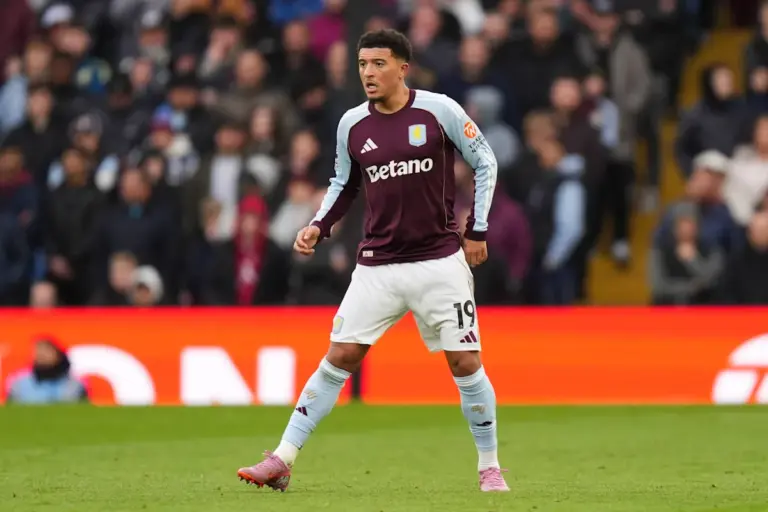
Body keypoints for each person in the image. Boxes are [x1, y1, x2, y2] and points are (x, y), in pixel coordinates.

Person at [237, 29, 507, 493]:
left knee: (465, 362)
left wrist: (477, 229)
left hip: (438, 261)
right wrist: (318, 225)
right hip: (377, 265)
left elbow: (485, 162)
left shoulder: (439, 110)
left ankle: (490, 467)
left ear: (403, 68)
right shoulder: (352, 124)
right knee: (340, 356)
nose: (368, 72)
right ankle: (282, 458)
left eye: (378, 63)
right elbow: (343, 183)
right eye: (363, 64)